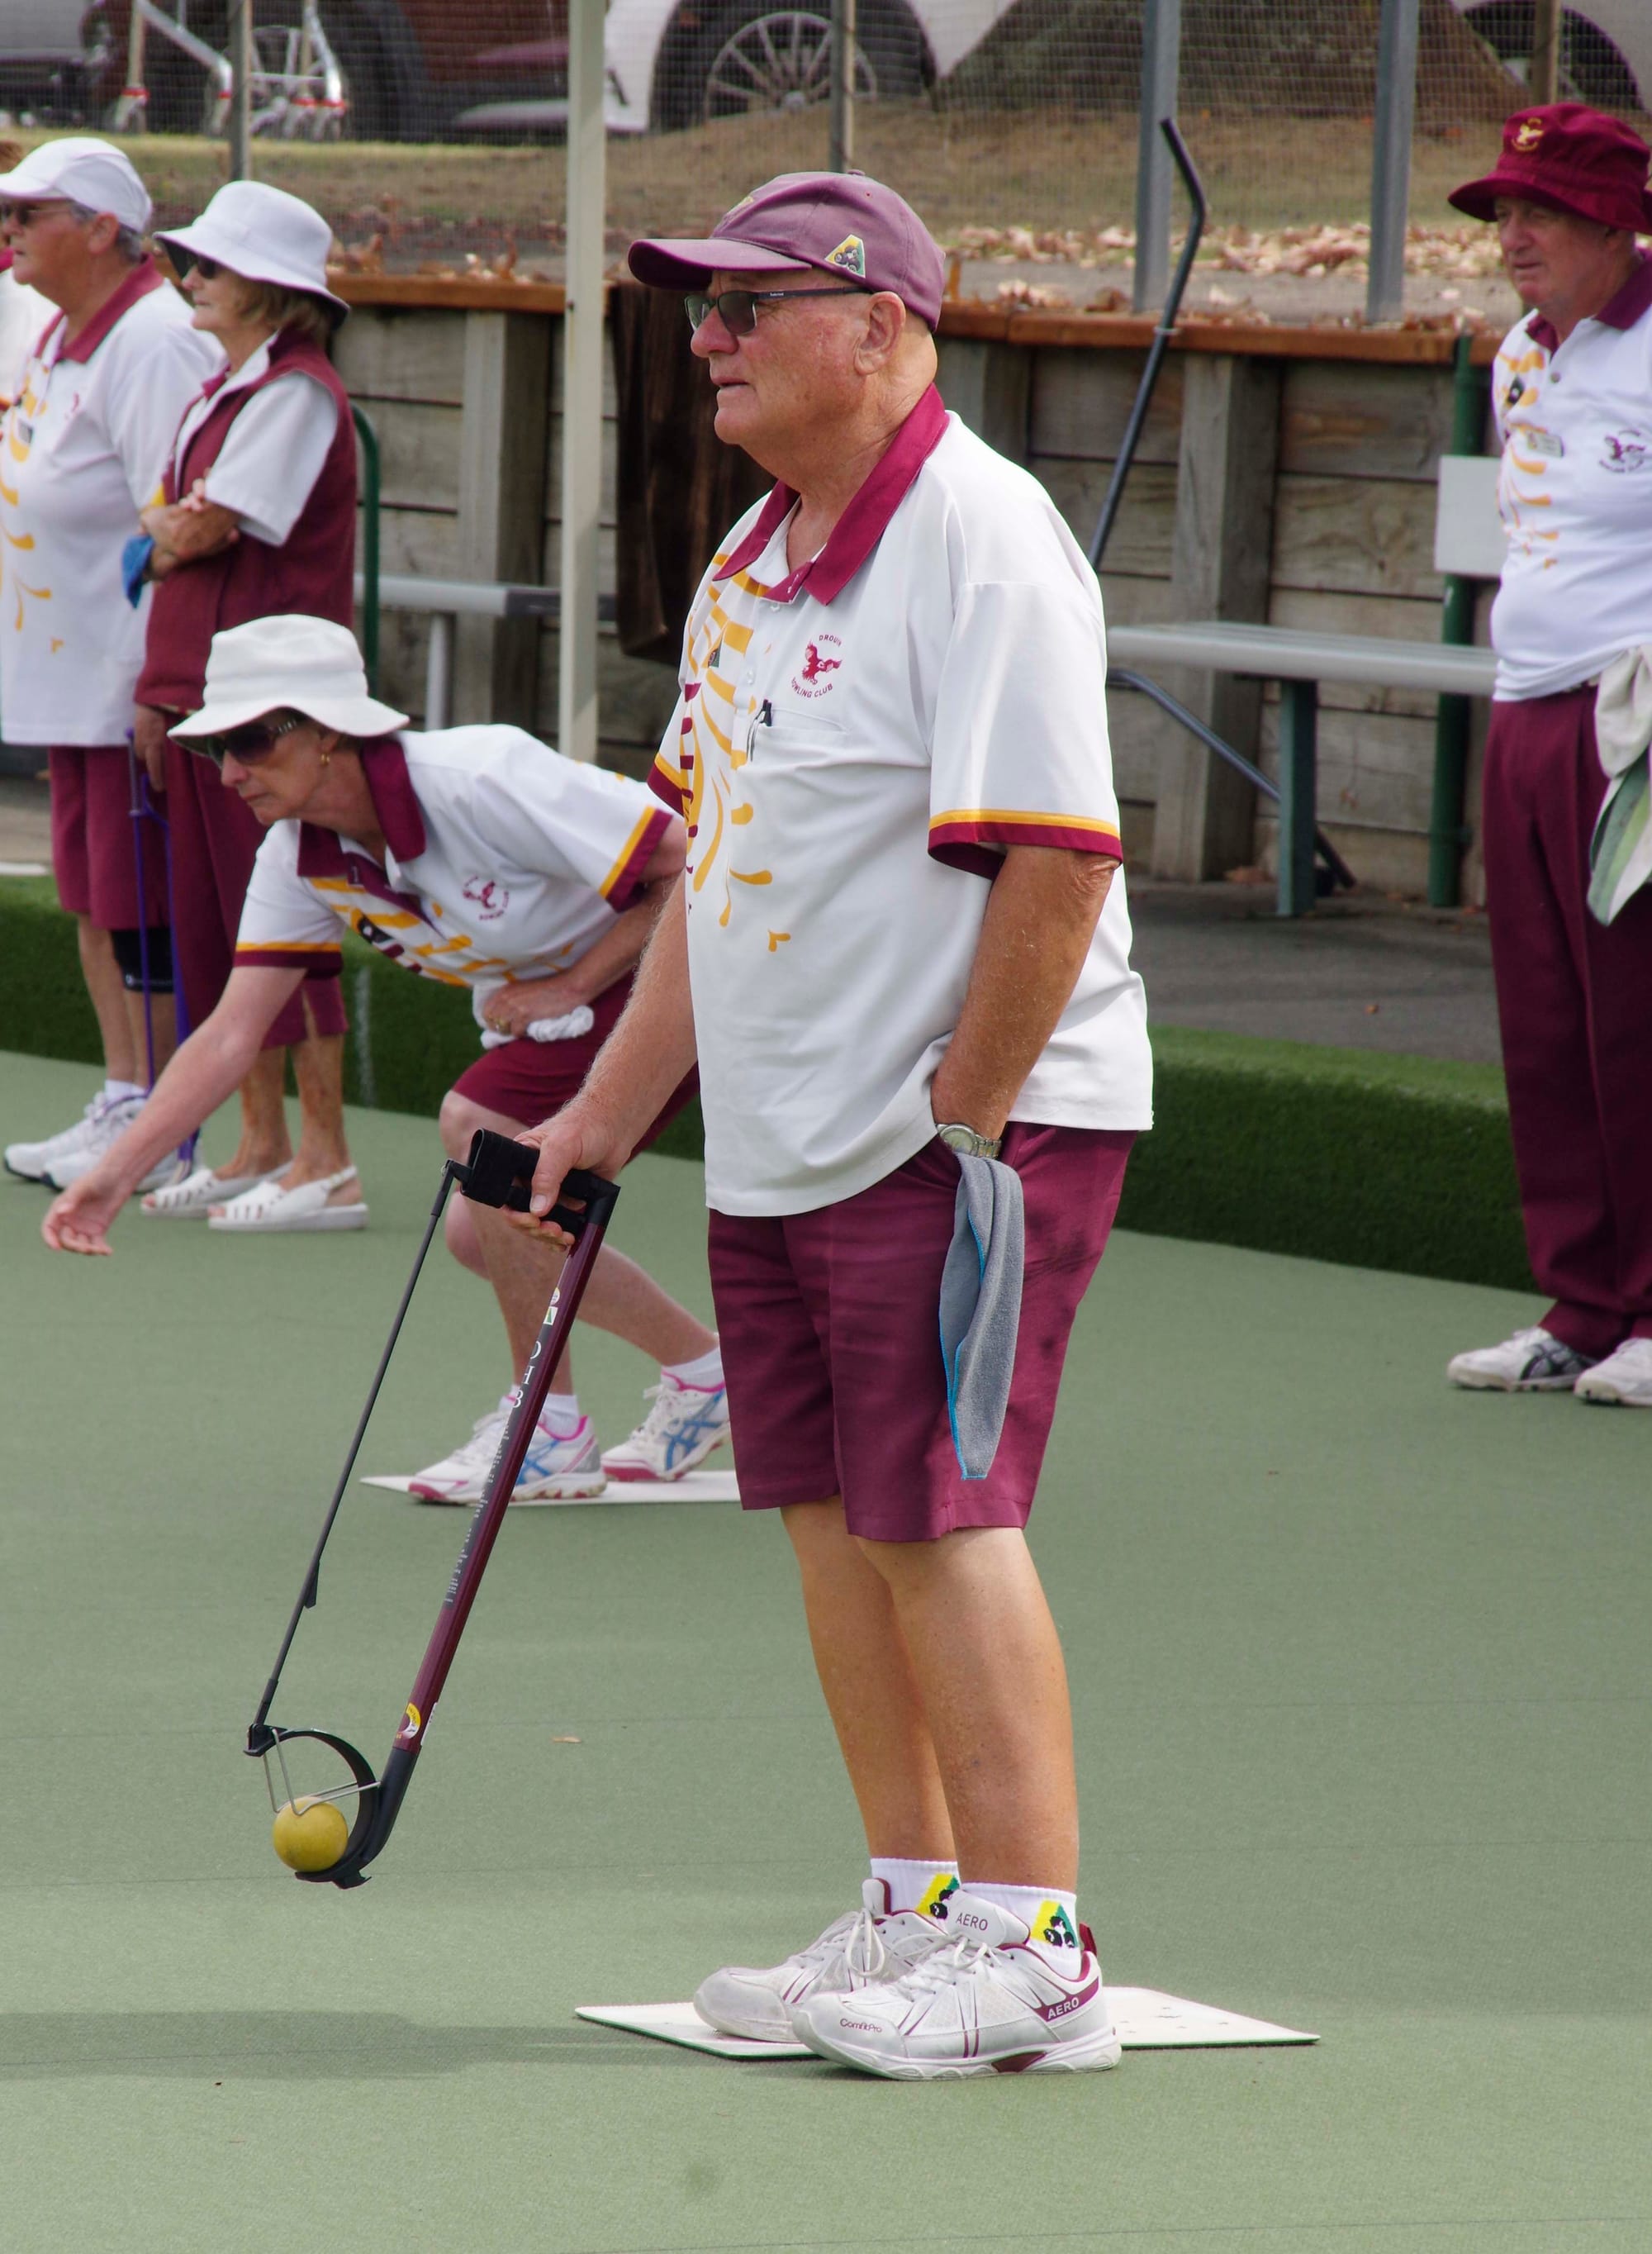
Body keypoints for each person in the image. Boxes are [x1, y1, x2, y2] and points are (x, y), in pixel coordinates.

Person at [514, 173, 1152, 2077]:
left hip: (954, 1133)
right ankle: (908, 1898)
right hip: (785, 1141)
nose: (702, 337)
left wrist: (955, 1119)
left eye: (744, 306)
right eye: (695, 309)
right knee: (821, 1520)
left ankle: (1031, 1947)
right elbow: (719, 876)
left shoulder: (979, 536)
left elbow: (1052, 867)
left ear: (879, 324)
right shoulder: (745, 563)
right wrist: (606, 1111)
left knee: (937, 1516)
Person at [42, 614, 732, 1500]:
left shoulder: (480, 775)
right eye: (216, 746)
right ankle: (704, 1372)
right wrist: (110, 1177)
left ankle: (548, 1429)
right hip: (579, 1008)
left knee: (479, 1128)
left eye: (252, 738)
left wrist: (574, 982)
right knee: (482, 1231)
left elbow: (698, 867)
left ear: (328, 732)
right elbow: (229, 1034)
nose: (231, 771)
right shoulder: (299, 858)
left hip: (688, 971)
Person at [1443, 106, 1652, 1410]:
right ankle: (1583, 1303)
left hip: (1632, 723)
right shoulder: (1523, 351)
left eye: (1544, 212)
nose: (1513, 236)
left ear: (1618, 224)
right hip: (1524, 714)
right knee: (1545, 1019)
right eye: (1503, 213)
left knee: (1638, 1015)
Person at [131, 181, 363, 1231]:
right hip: (203, 694)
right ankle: (262, 1143)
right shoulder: (224, 389)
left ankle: (328, 1161)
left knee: (290, 925)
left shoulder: (299, 393)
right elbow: (169, 523)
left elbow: (201, 529)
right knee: (225, 926)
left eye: (212, 267)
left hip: (276, 710)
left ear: (270, 293)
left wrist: (170, 524)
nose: (191, 277)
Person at [0, 138, 217, 1193]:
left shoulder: (158, 341)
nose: (12, 230)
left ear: (97, 227)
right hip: (62, 673)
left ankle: (171, 1121)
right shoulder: (55, 330)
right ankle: (126, 1091)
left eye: (31, 212)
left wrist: (157, 683)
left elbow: (176, 521)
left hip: (128, 680)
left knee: (143, 892)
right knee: (92, 893)